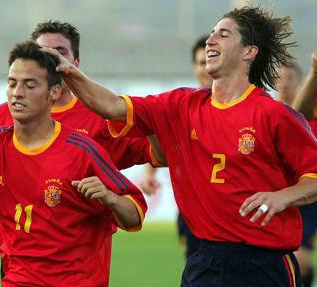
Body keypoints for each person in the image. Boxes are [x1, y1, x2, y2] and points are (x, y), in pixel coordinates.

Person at [48, 6, 317, 286]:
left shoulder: (274, 115)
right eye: (211, 33)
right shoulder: (180, 105)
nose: (211, 40)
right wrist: (69, 72)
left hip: (264, 264)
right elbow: (113, 106)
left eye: (223, 35)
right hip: (205, 261)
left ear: (249, 51)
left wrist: (282, 197)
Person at [0, 41, 147, 287]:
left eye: (29, 84)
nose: (17, 92)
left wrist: (110, 198)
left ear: (54, 92)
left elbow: (135, 215)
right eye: (12, 83)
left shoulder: (82, 151)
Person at [142, 35, 212, 260]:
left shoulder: (243, 106)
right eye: (201, 62)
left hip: (233, 210)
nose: (207, 68)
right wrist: (149, 174)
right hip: (193, 212)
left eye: (211, 59)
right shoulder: (183, 106)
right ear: (194, 67)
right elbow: (158, 134)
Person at [291, 52, 317, 287]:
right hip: (309, 189)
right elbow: (297, 115)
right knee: (301, 262)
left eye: (290, 78)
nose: (284, 82)